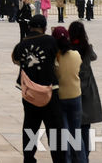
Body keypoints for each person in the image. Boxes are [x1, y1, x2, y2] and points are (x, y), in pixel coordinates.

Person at [12, 14, 64, 163]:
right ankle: (58, 158)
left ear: (30, 27)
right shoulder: (50, 41)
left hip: (30, 93)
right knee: (54, 129)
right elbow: (58, 58)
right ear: (44, 27)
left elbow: (15, 59)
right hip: (49, 91)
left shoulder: (22, 43)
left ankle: (29, 158)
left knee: (30, 127)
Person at [68, 20, 102, 159]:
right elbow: (94, 57)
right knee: (85, 127)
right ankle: (84, 156)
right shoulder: (87, 48)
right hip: (87, 90)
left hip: (72, 88)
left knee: (72, 126)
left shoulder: (68, 48)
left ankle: (74, 155)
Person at [51, 26, 84, 162]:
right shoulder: (76, 55)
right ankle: (82, 160)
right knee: (76, 132)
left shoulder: (55, 58)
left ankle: (68, 160)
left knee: (64, 134)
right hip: (75, 96)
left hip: (61, 97)